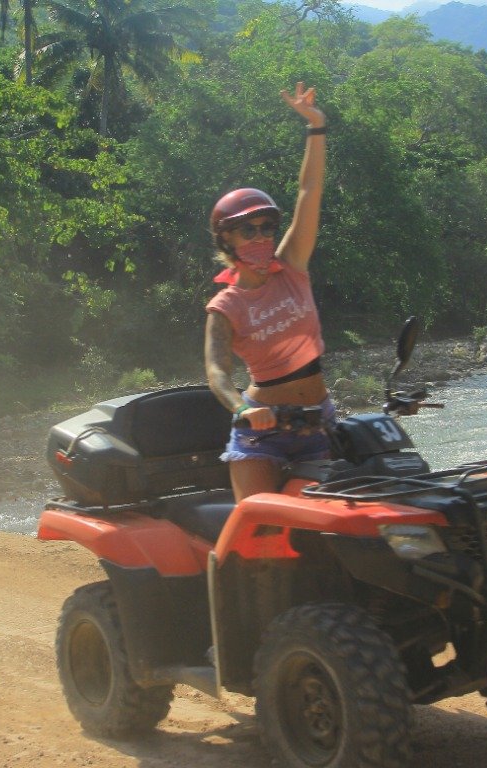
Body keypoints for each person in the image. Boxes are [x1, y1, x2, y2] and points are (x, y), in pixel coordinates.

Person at [205, 82, 330, 501]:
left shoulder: (291, 267)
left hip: (319, 421)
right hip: (263, 432)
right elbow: (218, 372)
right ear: (228, 241)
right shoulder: (226, 305)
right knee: (255, 534)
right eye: (247, 230)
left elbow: (308, 193)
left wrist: (316, 127)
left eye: (266, 227)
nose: (260, 237)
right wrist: (243, 408)